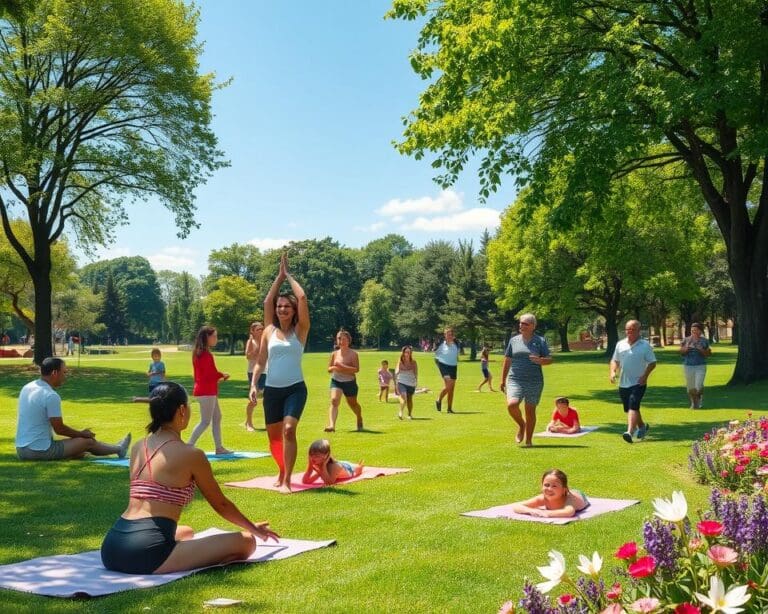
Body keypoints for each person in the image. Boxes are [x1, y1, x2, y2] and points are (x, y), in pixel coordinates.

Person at [100, 382, 279, 574]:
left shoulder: (138, 446)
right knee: (246, 541)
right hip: (148, 554)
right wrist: (253, 529)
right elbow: (221, 504)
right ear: (182, 410)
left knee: (186, 531)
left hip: (112, 547)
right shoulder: (191, 454)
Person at [249, 252, 310, 494]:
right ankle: (282, 470)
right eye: (280, 306)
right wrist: (254, 384)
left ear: (293, 311)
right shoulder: (269, 331)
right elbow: (260, 361)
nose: (282, 308)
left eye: (287, 306)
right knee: (274, 438)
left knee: (288, 430)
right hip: (272, 390)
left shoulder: (300, 331)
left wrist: (288, 276)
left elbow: (302, 297)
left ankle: (287, 481)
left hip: (295, 388)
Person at [15, 357, 131, 461]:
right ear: (55, 373)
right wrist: (82, 434)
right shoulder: (50, 395)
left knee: (79, 450)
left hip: (21, 450)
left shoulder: (27, 387)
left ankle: (98, 450)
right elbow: (59, 429)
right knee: (87, 442)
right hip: (39, 451)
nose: (65, 376)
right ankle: (119, 449)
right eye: (64, 372)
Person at [500, 313, 553, 447]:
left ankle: (529, 440)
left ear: (533, 326)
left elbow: (549, 359)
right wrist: (502, 380)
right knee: (512, 405)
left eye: (525, 324)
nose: (521, 325)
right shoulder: (514, 340)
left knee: (530, 410)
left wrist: (541, 360)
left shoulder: (540, 341)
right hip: (515, 379)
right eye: (520, 323)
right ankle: (521, 425)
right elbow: (507, 359)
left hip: (534, 380)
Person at [610, 320, 657, 444]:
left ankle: (629, 432)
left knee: (633, 404)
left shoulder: (645, 345)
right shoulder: (620, 344)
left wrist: (645, 376)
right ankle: (642, 426)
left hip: (639, 382)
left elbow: (652, 363)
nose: (629, 332)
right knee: (631, 408)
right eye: (627, 329)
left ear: (638, 331)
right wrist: (613, 372)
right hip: (623, 383)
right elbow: (615, 360)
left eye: (632, 329)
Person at [188, 326, 231, 455]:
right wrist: (222, 375)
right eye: (214, 336)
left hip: (206, 390)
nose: (216, 339)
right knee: (205, 421)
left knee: (217, 417)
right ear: (207, 337)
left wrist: (220, 375)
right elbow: (209, 374)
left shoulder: (200, 353)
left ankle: (219, 448)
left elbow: (207, 374)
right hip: (206, 391)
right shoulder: (205, 355)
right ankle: (188, 446)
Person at [325, 329, 363, 432]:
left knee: (353, 404)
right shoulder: (334, 354)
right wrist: (334, 368)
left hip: (349, 382)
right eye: (339, 338)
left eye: (344, 339)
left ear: (348, 340)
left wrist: (341, 367)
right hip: (336, 381)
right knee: (334, 400)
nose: (341, 341)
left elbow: (356, 369)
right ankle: (332, 425)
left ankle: (359, 417)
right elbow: (329, 369)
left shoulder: (353, 354)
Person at [510, 469, 589, 518]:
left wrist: (545, 513)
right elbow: (517, 506)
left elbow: (569, 512)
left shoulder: (569, 499)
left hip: (579, 495)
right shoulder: (542, 498)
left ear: (563, 490)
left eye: (554, 486)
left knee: (574, 493)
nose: (549, 489)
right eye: (546, 485)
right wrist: (531, 511)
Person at [680, 322, 712, 409]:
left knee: (698, 385)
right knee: (690, 387)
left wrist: (701, 350)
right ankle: (694, 403)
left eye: (695, 330)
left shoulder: (704, 341)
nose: (693, 332)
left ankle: (698, 402)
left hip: (700, 366)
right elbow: (681, 352)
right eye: (692, 330)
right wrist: (685, 349)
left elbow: (708, 354)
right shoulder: (686, 340)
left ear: (700, 331)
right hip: (688, 366)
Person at [244, 322, 266, 431]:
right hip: (253, 372)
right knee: (253, 399)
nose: (261, 331)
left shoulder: (265, 340)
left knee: (267, 397)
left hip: (265, 372)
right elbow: (247, 356)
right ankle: (249, 424)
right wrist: (255, 351)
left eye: (262, 328)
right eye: (258, 329)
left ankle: (247, 421)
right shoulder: (251, 342)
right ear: (252, 331)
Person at [435, 327, 459, 413]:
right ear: (444, 335)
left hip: (453, 366)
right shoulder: (441, 344)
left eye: (450, 334)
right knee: (448, 386)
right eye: (447, 334)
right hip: (443, 366)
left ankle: (449, 409)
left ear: (453, 335)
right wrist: (440, 367)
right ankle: (439, 399)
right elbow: (436, 356)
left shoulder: (456, 343)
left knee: (451, 389)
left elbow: (456, 354)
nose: (449, 336)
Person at [395, 345, 418, 420]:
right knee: (404, 397)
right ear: (403, 352)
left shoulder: (414, 362)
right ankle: (400, 412)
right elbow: (397, 371)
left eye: (409, 352)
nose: (407, 354)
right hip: (401, 381)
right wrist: (396, 380)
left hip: (411, 383)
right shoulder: (400, 361)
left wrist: (416, 382)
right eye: (406, 352)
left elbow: (416, 373)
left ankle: (409, 414)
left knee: (409, 399)